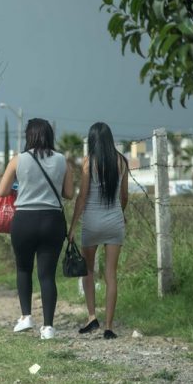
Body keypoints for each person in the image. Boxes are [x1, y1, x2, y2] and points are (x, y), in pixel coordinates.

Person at [0, 118, 74, 339]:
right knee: (47, 275)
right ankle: (48, 327)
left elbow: (2, 191)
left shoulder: (17, 160)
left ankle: (26, 317)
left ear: (29, 136)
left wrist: (23, 185)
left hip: (25, 220)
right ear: (49, 135)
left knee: (23, 269)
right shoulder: (62, 160)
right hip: (52, 221)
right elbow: (68, 194)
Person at [68, 122, 129, 340]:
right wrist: (119, 215)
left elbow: (82, 197)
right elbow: (124, 197)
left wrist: (73, 225)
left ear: (92, 140)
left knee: (89, 271)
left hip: (92, 223)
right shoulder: (122, 161)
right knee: (111, 275)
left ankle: (92, 316)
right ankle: (109, 327)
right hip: (114, 222)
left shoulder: (88, 162)